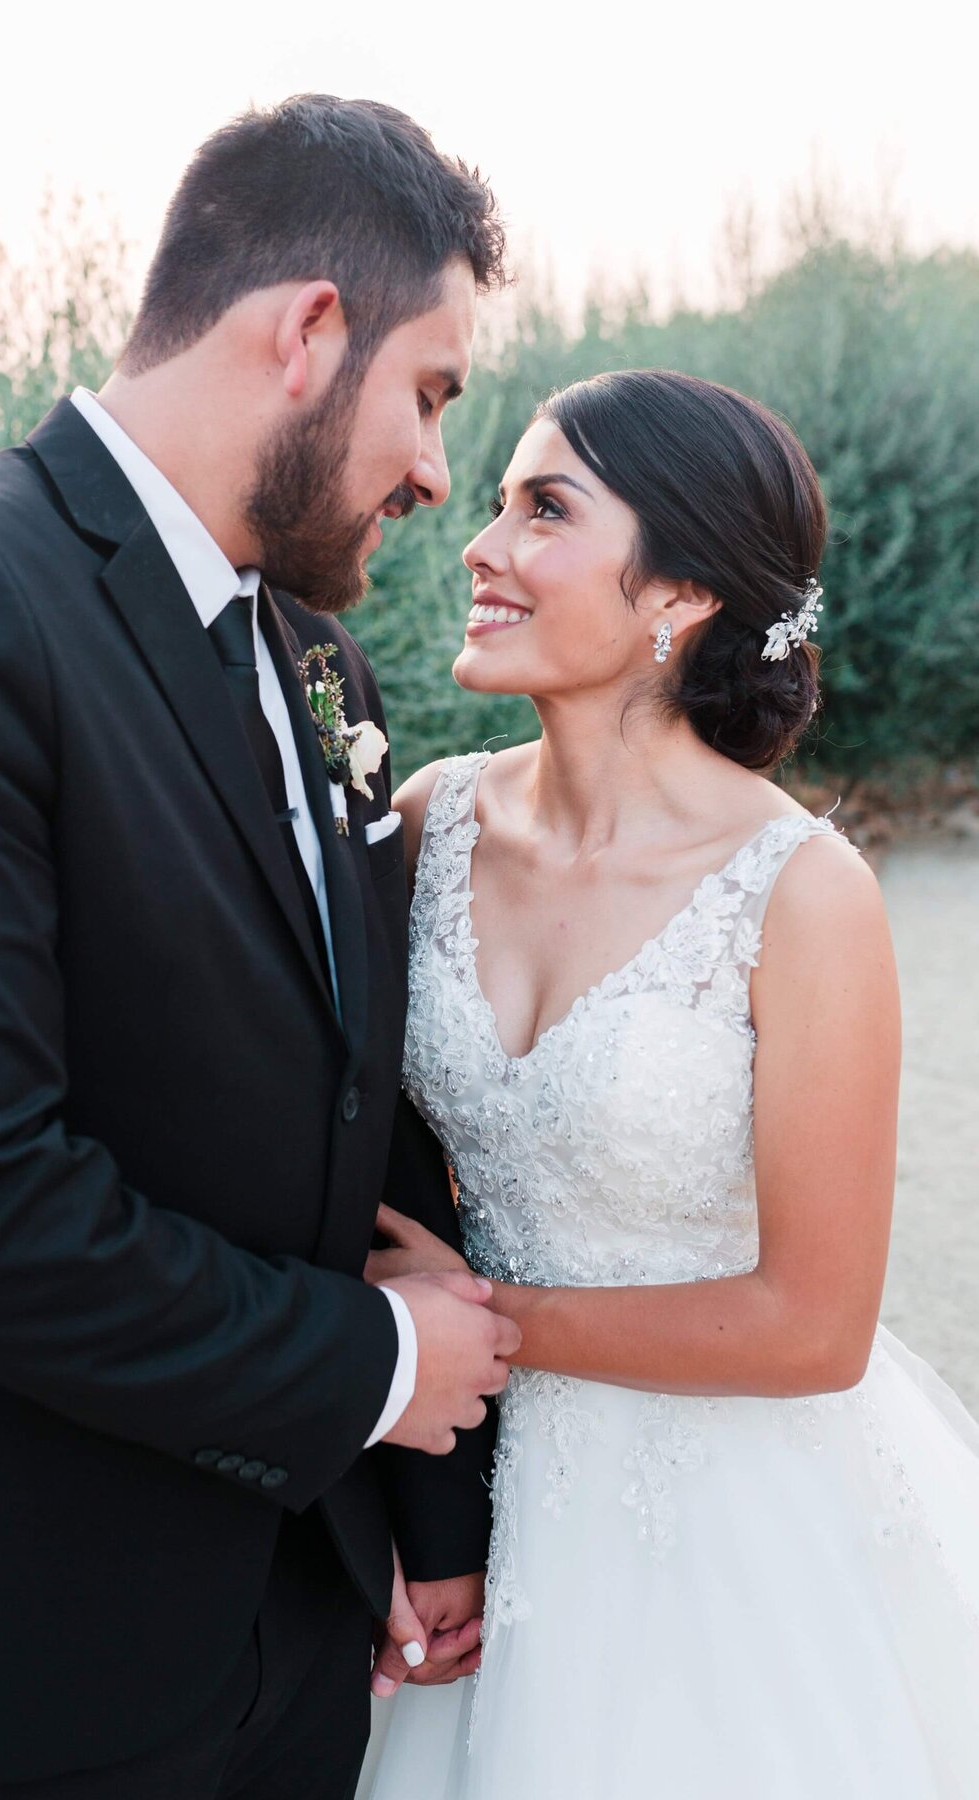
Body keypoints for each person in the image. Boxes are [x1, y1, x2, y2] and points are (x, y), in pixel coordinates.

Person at [0, 95, 521, 1800]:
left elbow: (358, 1102)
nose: (430, 469)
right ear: (306, 330)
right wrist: (381, 1366)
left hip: (290, 1656)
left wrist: (420, 1515)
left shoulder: (326, 668)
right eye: (428, 393)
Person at [358, 369, 979, 1799]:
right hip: (486, 1514)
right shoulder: (424, 822)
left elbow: (816, 1326)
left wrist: (459, 1329)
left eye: (544, 509)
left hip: (737, 1530)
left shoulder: (798, 893)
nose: (481, 541)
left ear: (679, 596)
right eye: (501, 502)